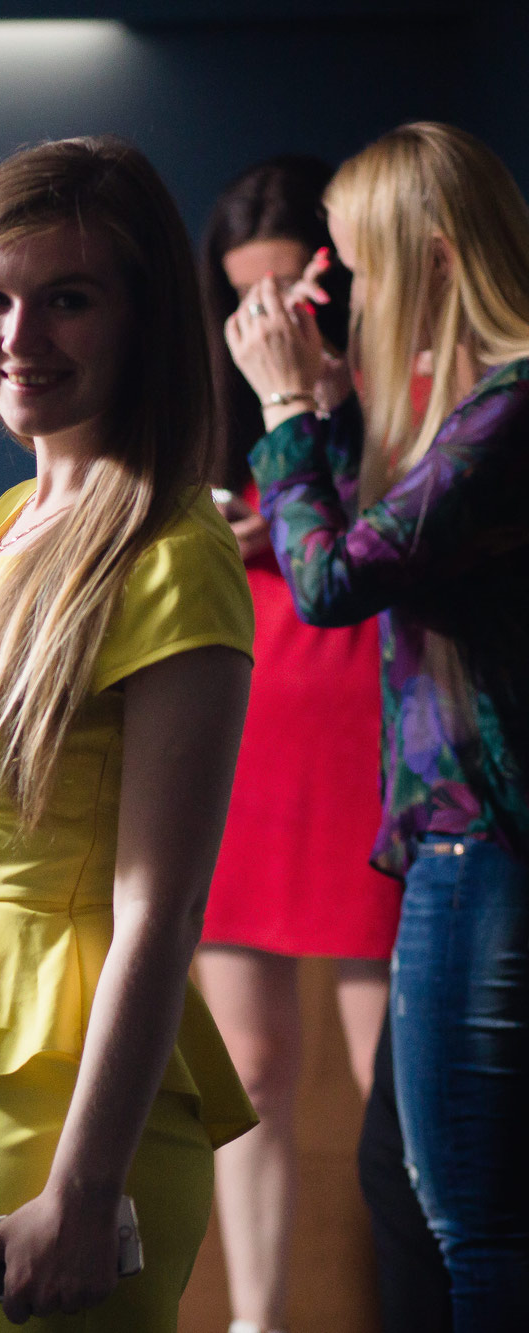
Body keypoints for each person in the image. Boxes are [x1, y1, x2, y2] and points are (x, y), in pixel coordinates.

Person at [0, 136, 259, 1331]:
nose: (17, 335)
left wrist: (84, 1194)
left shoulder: (172, 553)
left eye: (67, 299)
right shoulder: (12, 519)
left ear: (141, 318)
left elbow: (158, 912)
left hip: (77, 1125)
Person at [227, 120, 529, 1330]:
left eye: (349, 268)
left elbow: (333, 579)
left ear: (432, 259)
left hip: (482, 840)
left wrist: (283, 410)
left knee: (470, 1223)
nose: (334, 294)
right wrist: (322, 414)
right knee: (420, 1192)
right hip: (458, 843)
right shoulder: (478, 409)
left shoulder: (510, 407)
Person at [194, 156, 402, 1333]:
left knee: (396, 1076)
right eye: (244, 296)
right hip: (243, 724)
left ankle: (431, 1300)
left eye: (289, 287)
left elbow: (401, 530)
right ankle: (255, 1321)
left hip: (365, 720)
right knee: (249, 1063)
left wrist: (292, 472)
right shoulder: (205, 400)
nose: (267, 314)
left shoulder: (391, 375)